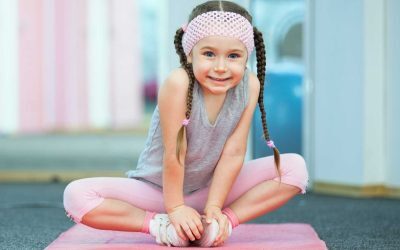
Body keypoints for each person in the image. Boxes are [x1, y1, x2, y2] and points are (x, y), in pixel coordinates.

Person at [63, 0, 308, 247]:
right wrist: (176, 207)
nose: (221, 67)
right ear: (190, 53)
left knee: (294, 168)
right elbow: (175, 154)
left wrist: (214, 206)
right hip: (158, 192)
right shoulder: (178, 84)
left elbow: (234, 152)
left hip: (212, 190)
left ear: (247, 56)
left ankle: (219, 223)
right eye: (209, 54)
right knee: (76, 196)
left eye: (233, 56)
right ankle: (162, 225)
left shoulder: (250, 84)